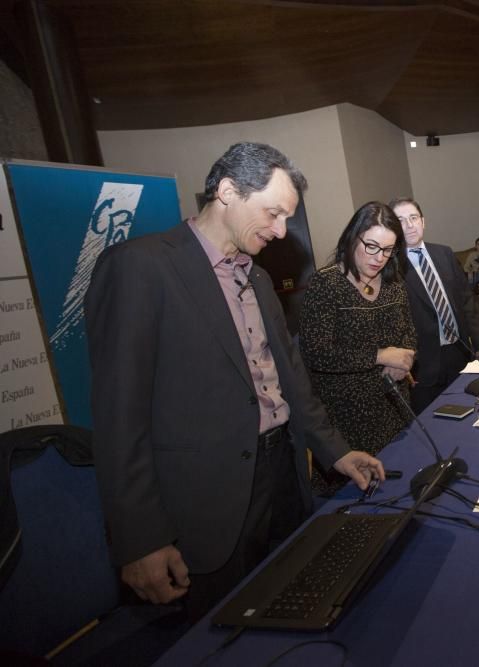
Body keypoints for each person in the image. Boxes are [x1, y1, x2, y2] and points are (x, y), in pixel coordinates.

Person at [85, 142, 384, 620]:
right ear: (227, 191)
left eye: (287, 217)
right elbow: (120, 417)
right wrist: (139, 538)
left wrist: (337, 451)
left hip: (284, 480)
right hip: (207, 504)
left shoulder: (260, 280)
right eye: (273, 213)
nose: (282, 230)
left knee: (290, 612)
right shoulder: (140, 267)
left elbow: (290, 383)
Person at [300, 202, 416, 497]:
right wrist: (380, 355)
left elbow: (409, 335)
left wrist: (405, 358)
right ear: (353, 237)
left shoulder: (394, 283)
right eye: (372, 246)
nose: (380, 258)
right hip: (347, 422)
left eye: (389, 250)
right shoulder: (325, 285)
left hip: (394, 410)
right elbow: (315, 352)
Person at [392, 197, 479, 413]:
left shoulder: (444, 253)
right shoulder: (391, 267)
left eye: (413, 218)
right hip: (424, 364)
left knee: (472, 412)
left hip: (460, 351)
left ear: (423, 221)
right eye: (400, 220)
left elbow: (466, 300)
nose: (409, 225)